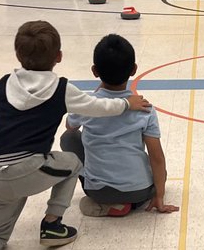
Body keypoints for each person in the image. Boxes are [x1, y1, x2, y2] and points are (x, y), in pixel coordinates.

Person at [0, 21, 150, 250]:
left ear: (17, 55)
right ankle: (52, 225)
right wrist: (126, 103)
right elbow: (98, 106)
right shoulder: (61, 88)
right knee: (72, 163)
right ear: (58, 56)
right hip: (30, 167)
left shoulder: (3, 84)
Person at [60, 34, 179, 217]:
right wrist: (160, 195)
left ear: (94, 71)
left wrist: (94, 96)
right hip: (139, 190)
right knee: (156, 167)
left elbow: (70, 126)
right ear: (134, 70)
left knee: (68, 138)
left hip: (98, 191)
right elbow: (157, 158)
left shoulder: (87, 104)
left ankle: (105, 204)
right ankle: (132, 203)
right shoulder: (145, 109)